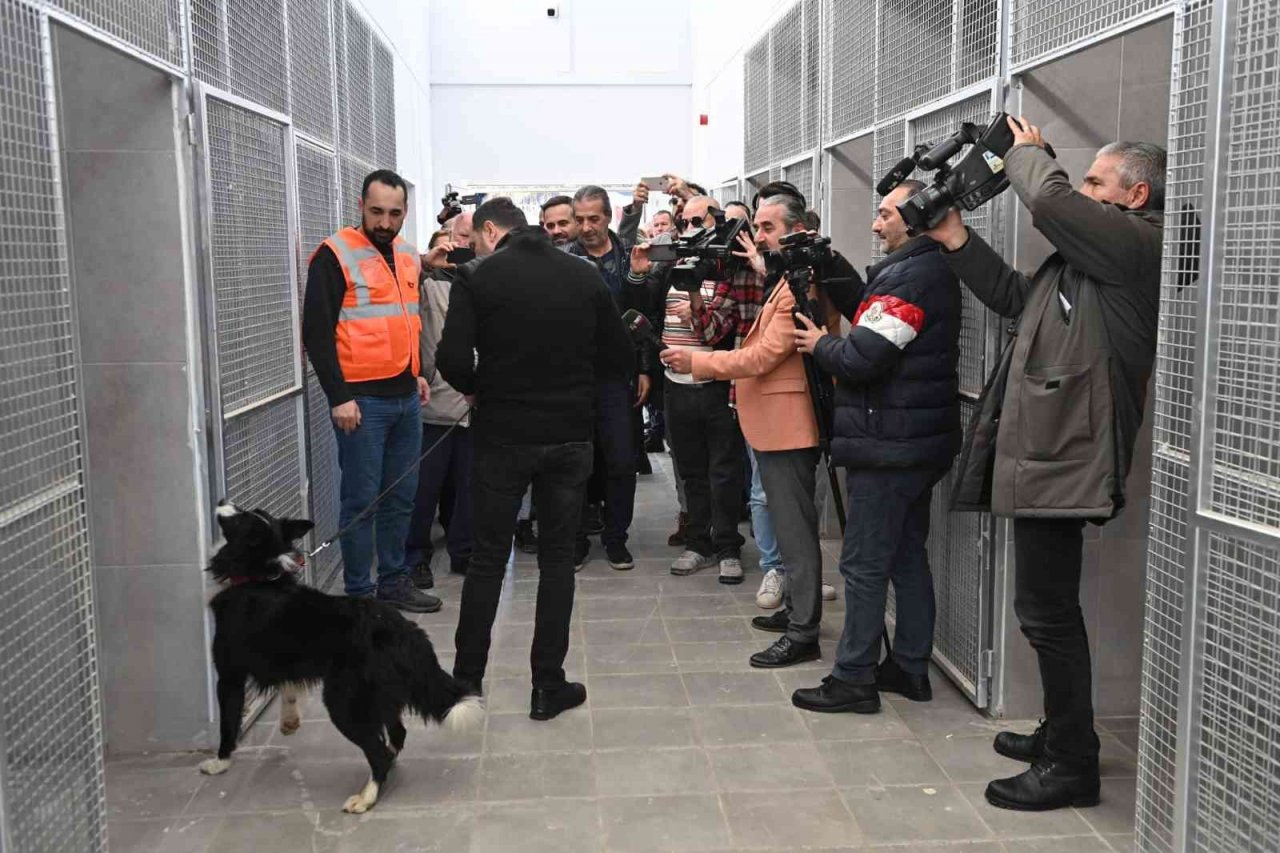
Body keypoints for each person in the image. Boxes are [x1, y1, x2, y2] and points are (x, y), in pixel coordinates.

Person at [926, 120, 1166, 811]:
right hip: (1052, 451)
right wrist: (956, 239)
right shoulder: (1088, 260)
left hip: (1070, 457)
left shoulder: (1136, 243)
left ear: (1136, 195)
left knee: (1047, 611)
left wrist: (1023, 152)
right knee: (1046, 607)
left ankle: (1071, 764)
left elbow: (1053, 203)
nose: (1082, 191)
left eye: (1096, 180)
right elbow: (1014, 295)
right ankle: (1063, 734)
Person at [437, 197, 633, 718]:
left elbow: (450, 358)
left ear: (491, 232)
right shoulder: (584, 275)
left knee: (487, 560)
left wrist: (481, 388)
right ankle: (548, 686)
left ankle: (466, 684)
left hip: (501, 434)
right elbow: (618, 355)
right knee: (557, 561)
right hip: (568, 435)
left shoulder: (477, 276)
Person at [789, 179, 962, 717]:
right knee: (906, 556)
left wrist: (820, 344)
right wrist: (830, 268)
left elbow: (863, 358)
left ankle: (853, 678)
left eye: (886, 214)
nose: (875, 223)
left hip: (889, 444)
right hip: (910, 442)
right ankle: (909, 667)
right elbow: (873, 322)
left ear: (916, 217)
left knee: (863, 564)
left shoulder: (913, 277)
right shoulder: (915, 271)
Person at [661, 194, 842, 666]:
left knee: (795, 533)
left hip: (789, 426)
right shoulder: (785, 277)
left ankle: (803, 632)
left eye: (766, 228)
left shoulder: (801, 283)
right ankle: (797, 611)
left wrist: (698, 362)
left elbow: (762, 357)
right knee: (787, 526)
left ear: (795, 231)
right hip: (775, 423)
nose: (756, 237)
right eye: (756, 227)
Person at [301, 169, 440, 613]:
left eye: (394, 213)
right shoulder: (335, 254)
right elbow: (316, 333)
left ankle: (394, 582)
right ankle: (360, 595)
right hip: (361, 402)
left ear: (405, 212)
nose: (385, 222)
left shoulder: (406, 254)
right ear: (361, 206)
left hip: (405, 397)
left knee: (401, 496)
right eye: (377, 211)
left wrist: (415, 373)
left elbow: (403, 320)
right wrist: (338, 396)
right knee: (362, 501)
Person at [631, 195, 761, 584]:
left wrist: (694, 300)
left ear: (716, 223)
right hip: (675, 387)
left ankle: (727, 546)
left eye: (697, 222)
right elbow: (640, 310)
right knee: (690, 472)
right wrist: (640, 274)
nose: (689, 230)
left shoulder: (729, 269)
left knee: (723, 471)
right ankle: (698, 543)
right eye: (683, 222)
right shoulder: (670, 266)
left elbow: (715, 333)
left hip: (716, 385)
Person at [568, 185, 654, 570]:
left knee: (621, 461)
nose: (586, 227)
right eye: (580, 219)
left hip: (618, 377)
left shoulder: (629, 257)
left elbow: (644, 318)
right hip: (573, 379)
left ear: (608, 217)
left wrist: (644, 367)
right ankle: (575, 540)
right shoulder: (564, 259)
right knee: (575, 463)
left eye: (594, 218)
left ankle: (616, 538)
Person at [403, 232, 476, 590]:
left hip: (475, 405)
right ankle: (415, 556)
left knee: (469, 487)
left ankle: (464, 551)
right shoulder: (425, 283)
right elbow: (400, 289)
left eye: (462, 240)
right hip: (434, 404)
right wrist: (424, 264)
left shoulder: (484, 279)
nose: (453, 249)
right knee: (423, 489)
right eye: (446, 242)